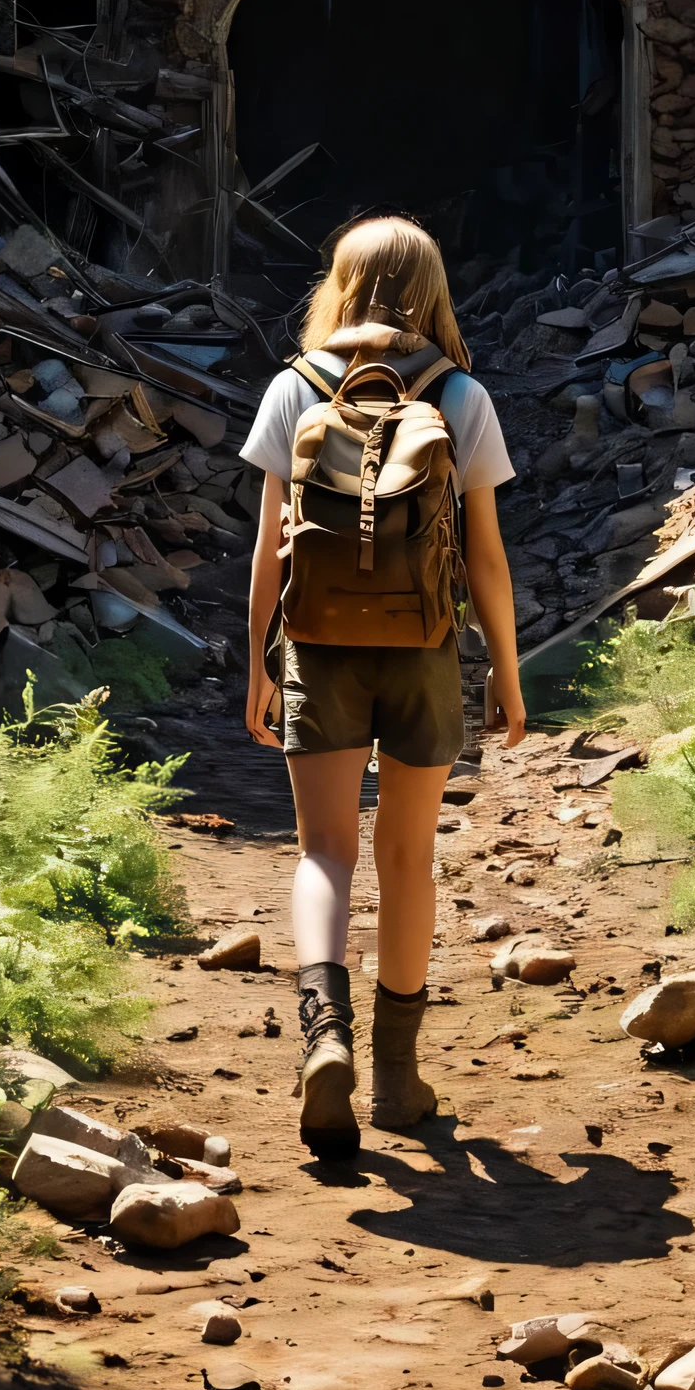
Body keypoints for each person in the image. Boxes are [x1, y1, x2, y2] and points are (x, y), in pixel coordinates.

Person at [242, 213, 526, 1161]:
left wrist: (258, 663)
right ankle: (398, 1080)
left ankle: (326, 1041)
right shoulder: (460, 394)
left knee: (324, 851)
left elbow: (269, 549)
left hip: (317, 645)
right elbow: (484, 556)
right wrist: (507, 674)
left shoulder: (296, 388)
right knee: (408, 856)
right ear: (433, 291)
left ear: (338, 283)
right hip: (426, 647)